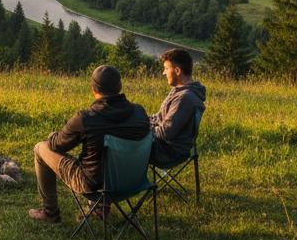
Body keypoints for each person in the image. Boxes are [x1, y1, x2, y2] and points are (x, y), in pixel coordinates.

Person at [28, 64, 149, 223]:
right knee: (98, 156)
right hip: (134, 181)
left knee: (41, 147)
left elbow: (57, 145)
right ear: (119, 86)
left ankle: (50, 213)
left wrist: (54, 136)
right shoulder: (139, 112)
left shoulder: (87, 118)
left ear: (94, 89)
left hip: (94, 186)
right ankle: (100, 208)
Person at [151, 48, 206, 168]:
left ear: (177, 70)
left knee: (124, 140)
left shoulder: (185, 97)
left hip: (168, 152)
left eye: (166, 68)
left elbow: (166, 132)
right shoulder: (179, 91)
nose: (163, 73)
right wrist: (140, 120)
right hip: (164, 146)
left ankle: (122, 183)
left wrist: (139, 129)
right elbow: (159, 117)